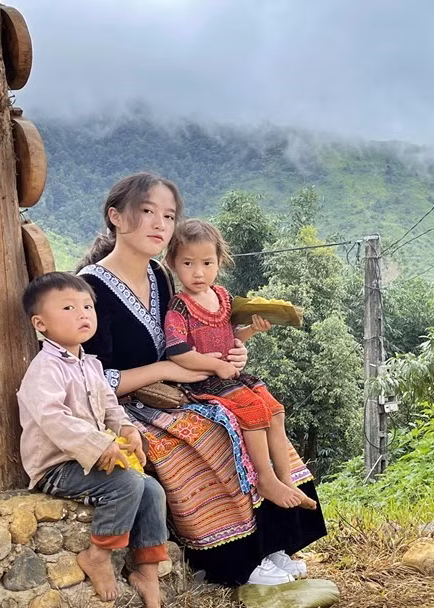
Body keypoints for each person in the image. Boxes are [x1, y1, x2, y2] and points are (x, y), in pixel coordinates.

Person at [77, 172, 327, 586]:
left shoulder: (160, 277)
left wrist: (234, 349)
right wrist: (166, 371)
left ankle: (277, 543)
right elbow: (94, 377)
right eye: (147, 212)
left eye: (169, 216)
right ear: (116, 217)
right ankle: (241, 561)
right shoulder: (90, 287)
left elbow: (186, 336)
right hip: (127, 406)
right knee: (212, 432)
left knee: (259, 413)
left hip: (183, 389)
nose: (160, 224)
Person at [17, 272, 168, 608]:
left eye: (87, 306)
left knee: (151, 489)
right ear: (41, 323)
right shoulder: (45, 369)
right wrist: (98, 443)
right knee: (127, 483)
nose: (83, 314)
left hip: (90, 458)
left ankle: (146, 570)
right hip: (58, 466)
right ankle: (97, 556)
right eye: (68, 307)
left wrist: (127, 429)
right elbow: (52, 417)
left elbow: (110, 406)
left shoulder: (89, 364)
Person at [162, 218, 317, 511]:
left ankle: (286, 478)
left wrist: (253, 331)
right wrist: (213, 365)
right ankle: (265, 478)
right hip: (204, 379)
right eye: (188, 264)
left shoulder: (223, 298)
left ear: (219, 261)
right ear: (172, 263)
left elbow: (232, 336)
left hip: (232, 375)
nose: (198, 272)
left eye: (207, 263)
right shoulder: (179, 306)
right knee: (253, 411)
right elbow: (177, 350)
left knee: (276, 410)